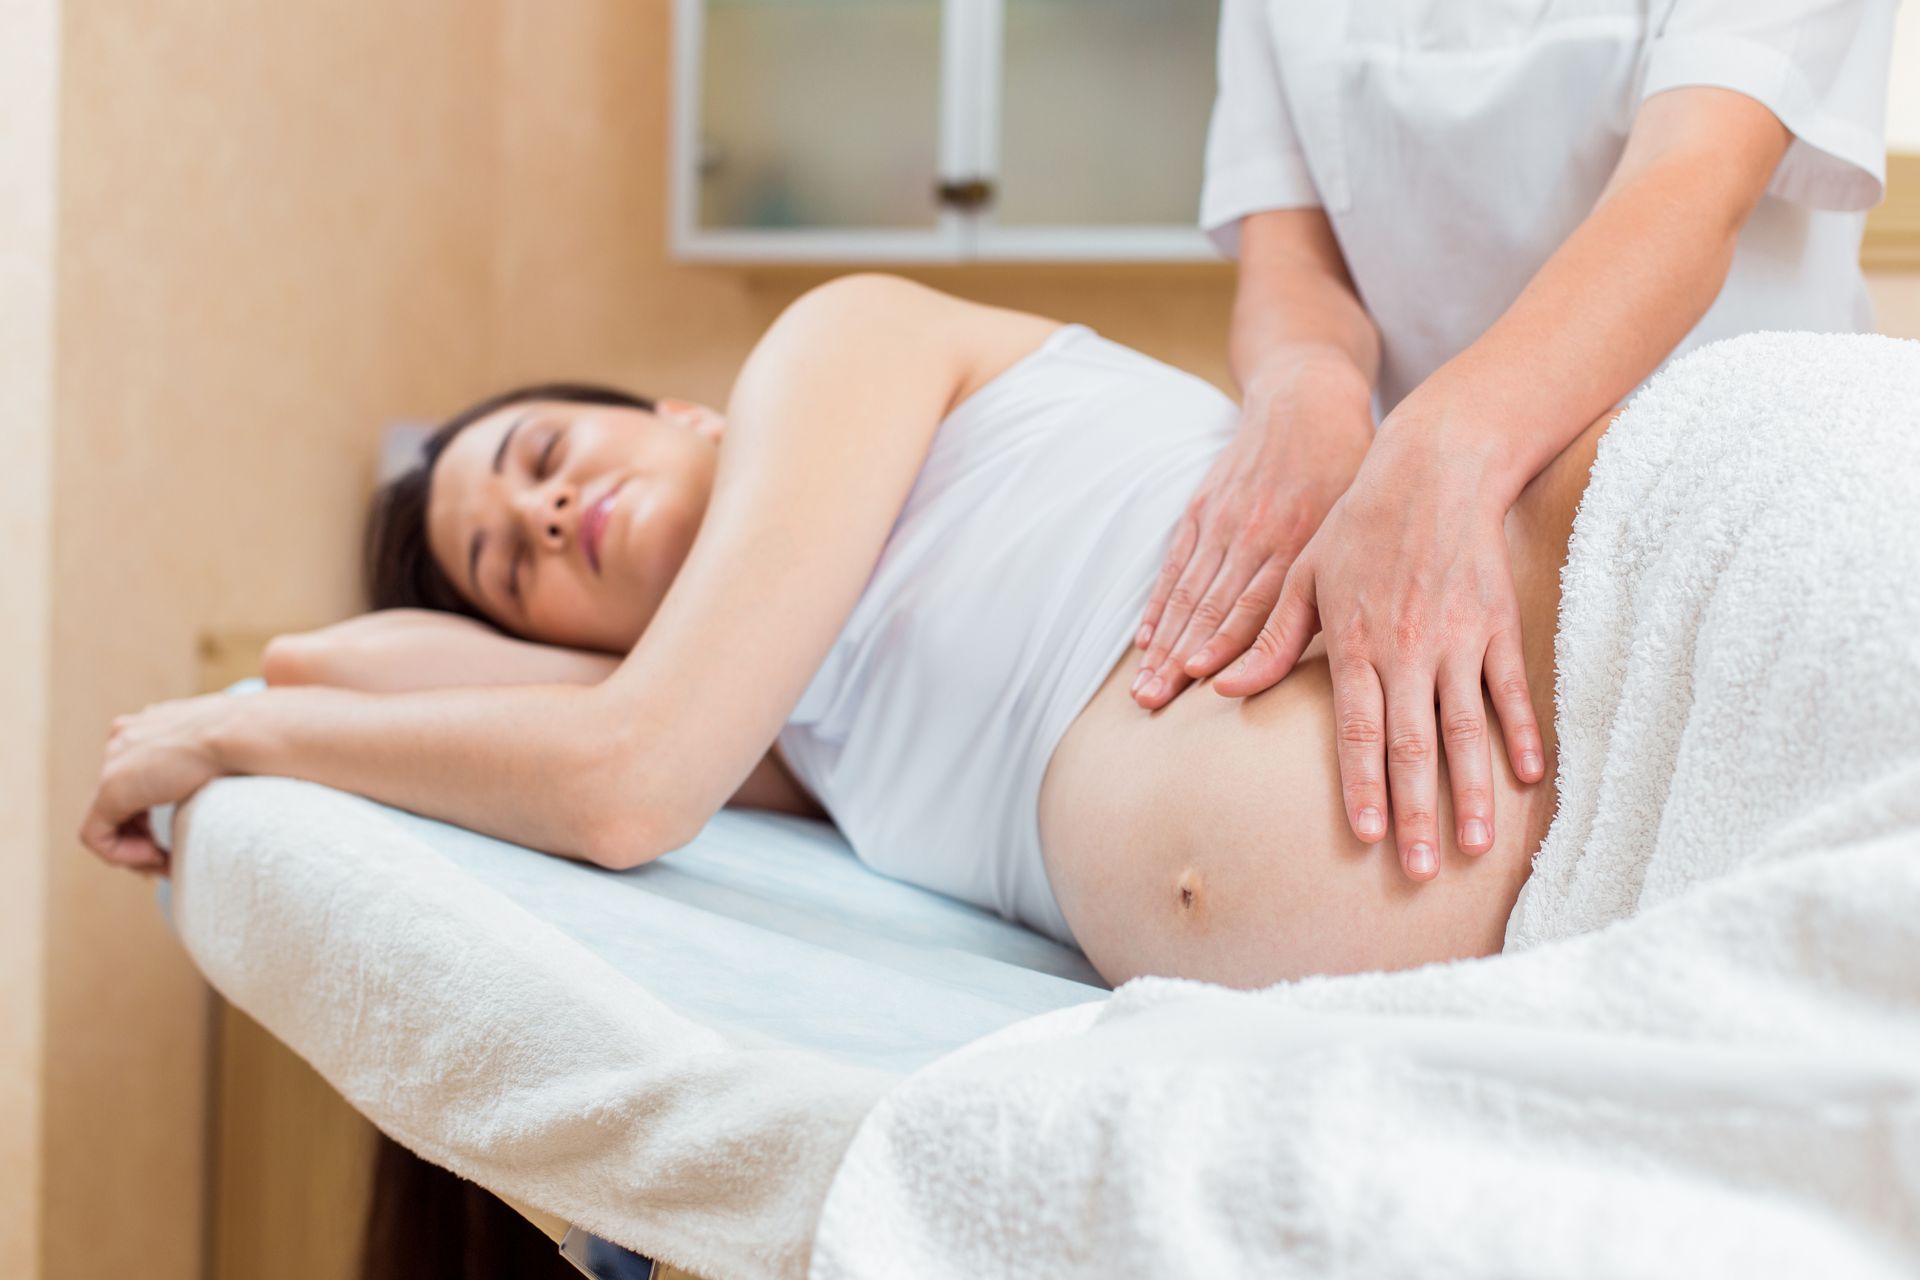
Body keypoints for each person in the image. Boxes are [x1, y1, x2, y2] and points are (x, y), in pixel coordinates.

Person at [81, 276, 1603, 989]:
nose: (546, 520)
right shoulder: (785, 737)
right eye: (506, 567)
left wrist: (222, 737)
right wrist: (262, 706)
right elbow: (331, 664)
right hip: (1546, 881)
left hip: (1587, 640)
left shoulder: (841, 342)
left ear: (681, 411)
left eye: (546, 458)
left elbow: (621, 781)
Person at [1132, 0, 1898, 885]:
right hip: (1425, 528)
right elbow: (1291, 256)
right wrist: (1306, 386)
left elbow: (1691, 180)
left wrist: (1441, 446)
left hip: (1736, 509)